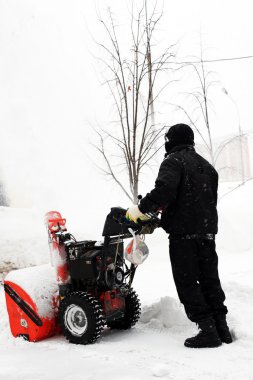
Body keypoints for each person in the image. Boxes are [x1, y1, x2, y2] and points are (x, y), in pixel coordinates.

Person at [126, 123, 232, 348]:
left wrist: (141, 209)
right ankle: (222, 329)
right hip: (207, 234)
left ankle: (207, 330)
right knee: (210, 280)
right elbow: (196, 199)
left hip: (183, 236)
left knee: (187, 283)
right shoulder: (208, 167)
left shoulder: (173, 161)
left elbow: (164, 191)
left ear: (172, 140)